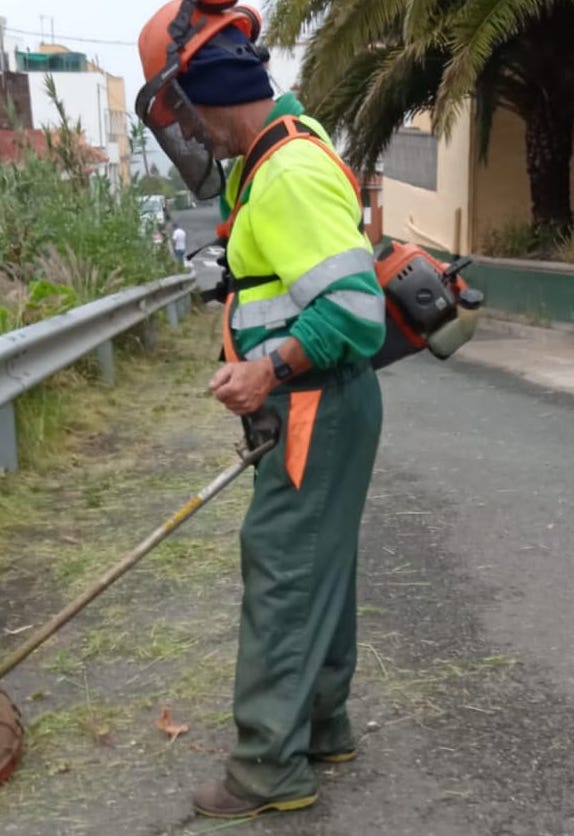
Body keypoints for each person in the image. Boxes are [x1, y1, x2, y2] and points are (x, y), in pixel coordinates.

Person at [135, 0, 386, 820]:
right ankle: (322, 725)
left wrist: (265, 370)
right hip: (318, 403)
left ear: (204, 92)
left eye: (186, 120)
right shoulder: (271, 162)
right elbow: (288, 277)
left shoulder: (288, 171)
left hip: (314, 402)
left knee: (282, 571)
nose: (193, 139)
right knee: (318, 566)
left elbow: (353, 311)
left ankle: (267, 767)